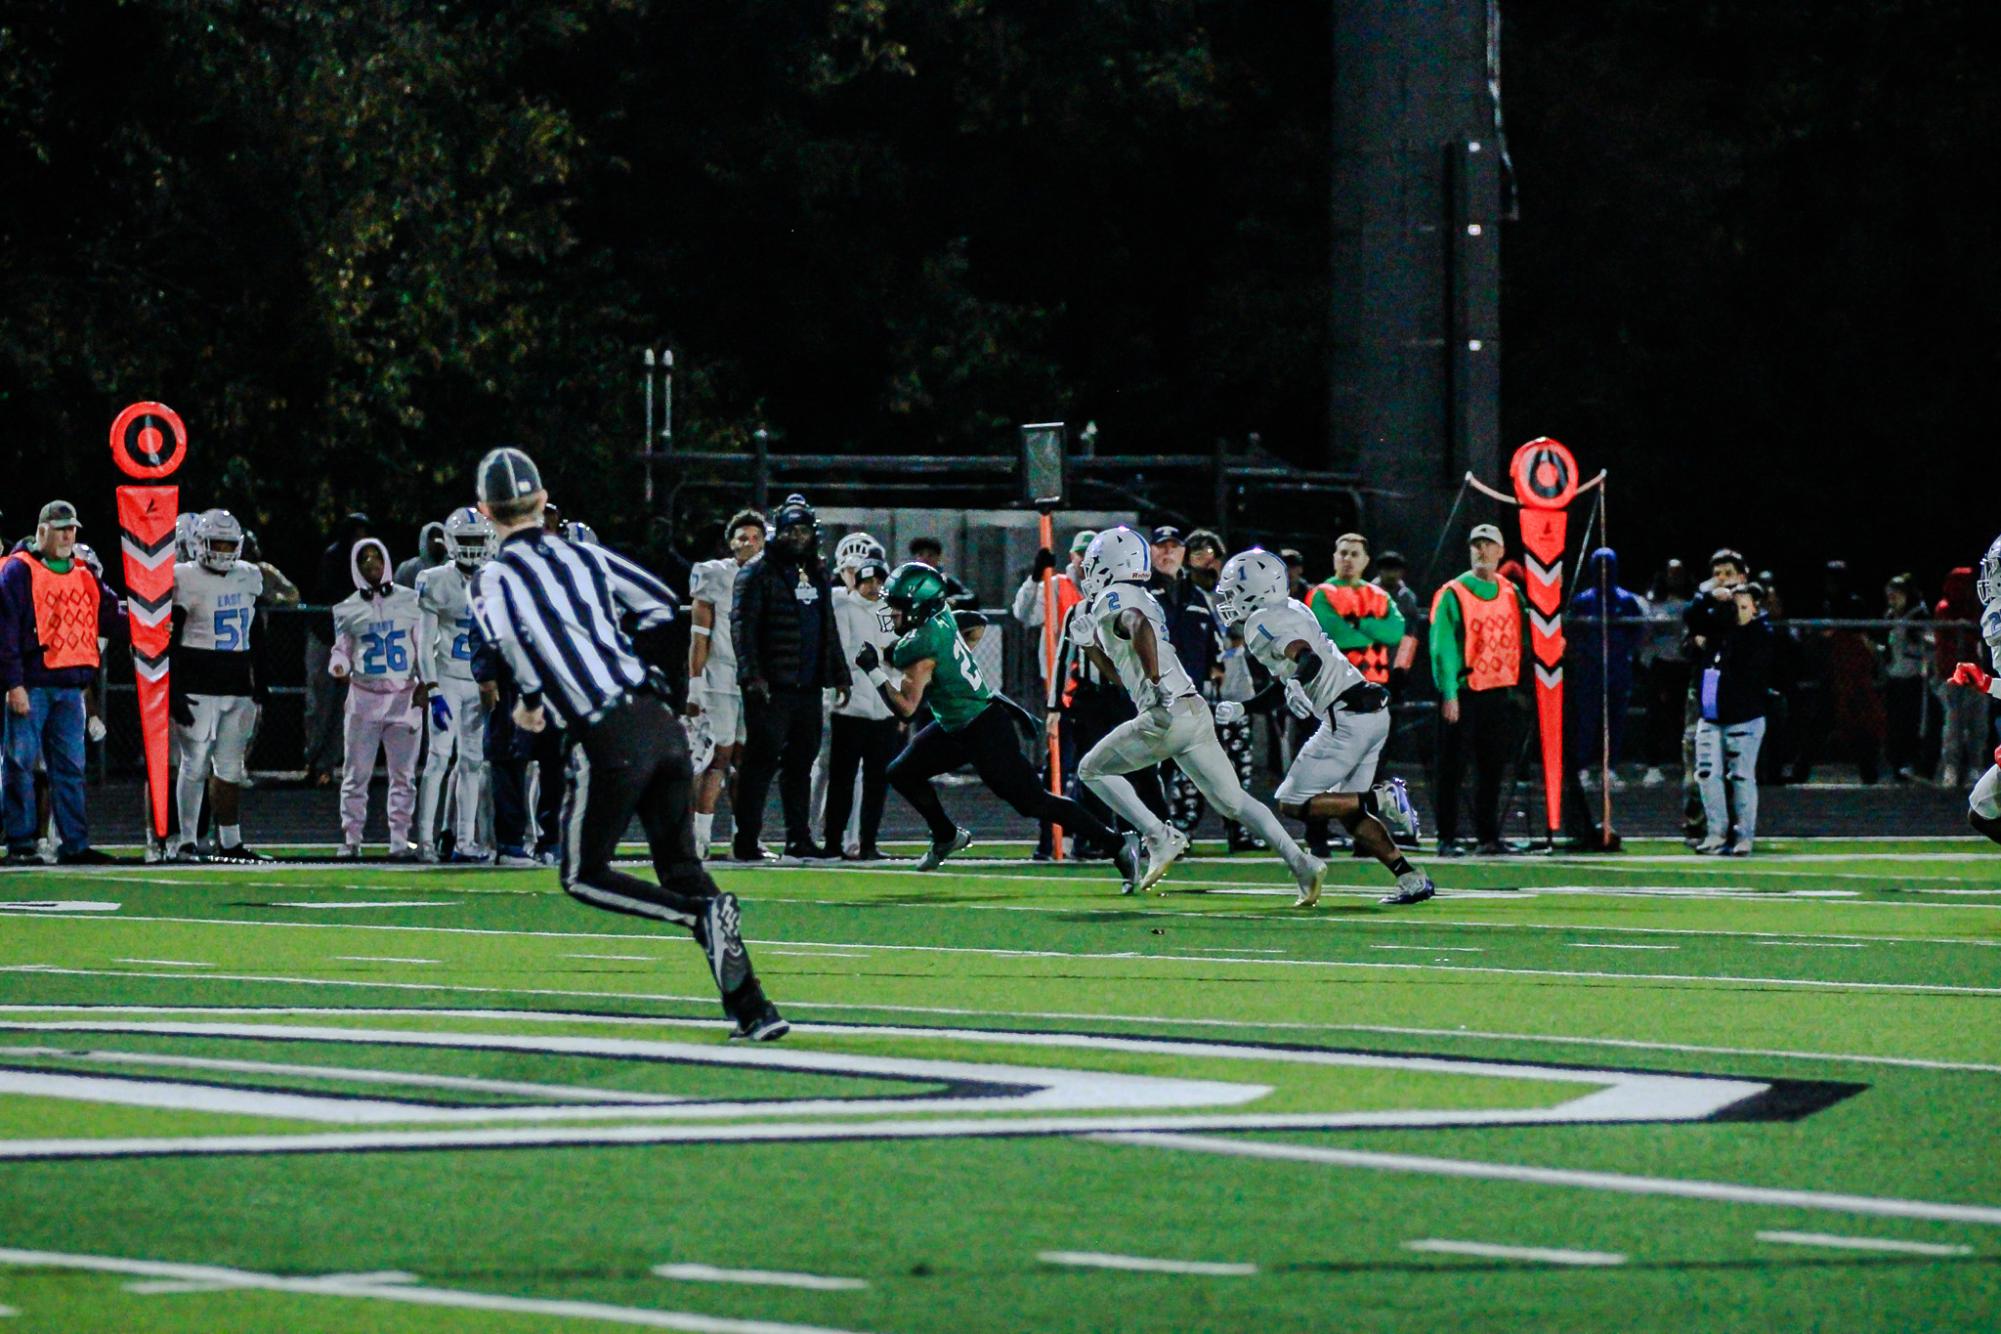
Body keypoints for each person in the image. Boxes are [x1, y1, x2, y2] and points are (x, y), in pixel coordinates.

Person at [468, 446, 788, 1041]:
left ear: (486, 511)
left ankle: (701, 916)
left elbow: (510, 640)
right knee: (681, 865)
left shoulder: (495, 575)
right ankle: (753, 1005)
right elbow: (658, 610)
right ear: (541, 502)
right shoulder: (583, 555)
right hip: (656, 717)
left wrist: (532, 703)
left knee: (581, 874)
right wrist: (633, 669)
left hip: (605, 732)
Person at [1070, 529, 1325, 901]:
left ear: (1109, 565)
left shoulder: (1116, 596)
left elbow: (1136, 623)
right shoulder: (1140, 594)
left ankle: (1159, 835)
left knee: (1091, 770)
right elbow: (1125, 675)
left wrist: (1156, 681)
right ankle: (1301, 863)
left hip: (1166, 711)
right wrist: (1091, 647)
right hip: (1192, 708)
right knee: (1235, 802)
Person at [859, 560, 1138, 885]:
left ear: (920, 608)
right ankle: (946, 835)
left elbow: (906, 707)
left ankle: (1118, 843)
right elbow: (975, 624)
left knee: (1033, 801)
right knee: (901, 772)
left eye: (898, 607)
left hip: (982, 729)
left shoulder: (921, 648)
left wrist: (873, 670)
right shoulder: (940, 619)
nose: (891, 614)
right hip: (957, 725)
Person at [1215, 547, 1434, 905]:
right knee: (1349, 812)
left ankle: (1383, 796)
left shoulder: (1261, 623)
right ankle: (1410, 878)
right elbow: (1291, 673)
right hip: (1370, 711)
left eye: (1235, 590)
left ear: (1256, 590)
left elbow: (1307, 658)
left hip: (1346, 718)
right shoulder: (1292, 607)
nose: (1229, 598)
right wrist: (1245, 707)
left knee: (1290, 801)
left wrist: (1298, 684)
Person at [0, 501, 126, 865]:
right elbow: (6, 632)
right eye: (61, 529)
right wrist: (14, 684)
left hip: (71, 686)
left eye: (72, 529)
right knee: (20, 765)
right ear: (41, 531)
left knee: (70, 769)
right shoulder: (17, 572)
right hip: (34, 684)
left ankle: (74, 843)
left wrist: (148, 630)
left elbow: (109, 615)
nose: (69, 535)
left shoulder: (84, 572)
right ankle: (21, 842)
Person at [732, 495, 851, 860]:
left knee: (802, 763)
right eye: (791, 530)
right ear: (778, 533)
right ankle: (747, 840)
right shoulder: (756, 573)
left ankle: (798, 837)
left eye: (803, 530)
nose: (798, 537)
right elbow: (743, 628)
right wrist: (752, 676)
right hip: (772, 686)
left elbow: (827, 627)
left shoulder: (816, 572)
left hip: (807, 685)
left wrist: (839, 674)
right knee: (760, 763)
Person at [168, 509, 272, 862]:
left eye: (230, 543)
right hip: (197, 681)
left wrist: (262, 680)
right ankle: (185, 840)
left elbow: (254, 631)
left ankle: (230, 841)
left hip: (237, 682)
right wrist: (175, 688)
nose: (225, 551)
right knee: (194, 763)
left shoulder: (248, 576)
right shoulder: (185, 577)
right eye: (219, 543)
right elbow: (174, 637)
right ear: (200, 544)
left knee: (230, 768)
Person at [1304, 533, 1407, 854]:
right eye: (1343, 553)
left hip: (1373, 693)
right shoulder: (1320, 594)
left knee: (1368, 769)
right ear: (1335, 557)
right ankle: (1317, 837)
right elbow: (1333, 632)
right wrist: (1368, 626)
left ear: (1364, 560)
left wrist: (1356, 622)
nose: (1348, 558)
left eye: (1354, 553)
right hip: (1333, 692)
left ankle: (1363, 836)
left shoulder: (1378, 594)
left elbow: (1395, 631)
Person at [1428, 523, 1525, 854]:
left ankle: (1488, 836)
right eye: (1476, 545)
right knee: (1452, 768)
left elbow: (1524, 633)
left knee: (1492, 769)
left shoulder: (1511, 592)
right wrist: (1449, 692)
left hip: (1497, 693)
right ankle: (1447, 837)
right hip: (1465, 691)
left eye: (1488, 545)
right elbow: (1442, 645)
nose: (1481, 551)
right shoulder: (1453, 592)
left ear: (1501, 551)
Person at [329, 538, 427, 859]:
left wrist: (428, 683)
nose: (371, 564)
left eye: (375, 557)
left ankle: (399, 838)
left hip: (404, 696)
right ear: (356, 567)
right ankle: (351, 838)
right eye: (364, 560)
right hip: (364, 698)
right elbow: (341, 647)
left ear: (386, 560)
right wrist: (339, 663)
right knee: (356, 774)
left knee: (404, 776)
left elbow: (423, 647)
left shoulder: (412, 600)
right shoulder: (346, 608)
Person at [414, 507, 497, 862]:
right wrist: (431, 687)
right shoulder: (436, 580)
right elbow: (424, 640)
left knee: (472, 763)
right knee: (438, 759)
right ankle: (426, 842)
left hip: (477, 683)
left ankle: (465, 841)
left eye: (478, 540)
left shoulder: (495, 580)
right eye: (466, 540)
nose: (473, 548)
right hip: (447, 678)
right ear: (450, 542)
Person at [686, 509, 764, 858]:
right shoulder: (713, 574)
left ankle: (744, 838)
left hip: (756, 679)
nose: (749, 543)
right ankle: (699, 837)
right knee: (718, 756)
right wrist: (695, 684)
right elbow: (699, 636)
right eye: (743, 537)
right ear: (730, 541)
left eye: (756, 537)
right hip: (720, 676)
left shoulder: (772, 577)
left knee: (749, 761)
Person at [1564, 546, 1648, 845]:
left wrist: (1625, 656)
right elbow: (1571, 634)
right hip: (1589, 672)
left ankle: (1609, 766)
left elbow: (1638, 633)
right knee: (1587, 720)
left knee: (1616, 720)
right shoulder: (1583, 600)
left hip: (1617, 670)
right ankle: (1586, 766)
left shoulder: (1625, 600)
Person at [824, 557, 901, 860]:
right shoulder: (843, 606)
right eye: (868, 581)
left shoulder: (884, 610)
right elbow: (843, 650)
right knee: (841, 777)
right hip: (851, 704)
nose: (874, 587)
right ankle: (833, 841)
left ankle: (868, 842)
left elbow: (892, 651)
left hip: (881, 706)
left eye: (879, 582)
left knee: (877, 779)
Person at [1694, 582, 1777, 855]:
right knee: (1707, 775)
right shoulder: (1718, 629)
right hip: (1711, 714)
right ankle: (1715, 833)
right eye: (1734, 606)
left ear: (1755, 607)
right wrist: (1709, 596)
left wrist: (1743, 623)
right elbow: (1692, 617)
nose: (1737, 612)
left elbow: (1754, 667)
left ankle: (1744, 835)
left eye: (1744, 605)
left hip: (1744, 716)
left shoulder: (1761, 633)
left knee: (1741, 776)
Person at [1681, 549, 1749, 841]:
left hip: (1737, 693)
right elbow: (1690, 637)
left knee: (1737, 764)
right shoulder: (1703, 605)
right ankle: (1698, 821)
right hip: (1706, 688)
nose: (1722, 579)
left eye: (1728, 573)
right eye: (1717, 573)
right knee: (1699, 758)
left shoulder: (1747, 605)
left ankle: (1734, 824)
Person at [305, 513, 371, 786]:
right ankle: (313, 759)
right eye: (356, 533)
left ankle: (327, 764)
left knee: (345, 706)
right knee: (320, 702)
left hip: (353, 640)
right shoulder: (334, 557)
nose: (360, 538)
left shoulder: (368, 560)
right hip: (326, 637)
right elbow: (328, 594)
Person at [1639, 559, 1694, 786]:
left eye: (1679, 573)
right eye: (1671, 574)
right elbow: (1646, 634)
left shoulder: (1693, 602)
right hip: (1661, 664)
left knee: (1686, 715)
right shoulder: (1654, 602)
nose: (1675, 578)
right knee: (1655, 715)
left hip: (1685, 664)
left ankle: (1688, 766)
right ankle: (1653, 766)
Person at [1935, 567, 1989, 788]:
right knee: (1954, 726)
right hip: (1952, 676)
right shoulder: (1944, 608)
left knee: (1978, 725)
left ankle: (1975, 766)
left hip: (1976, 675)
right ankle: (1951, 768)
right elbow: (1952, 638)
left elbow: (1980, 633)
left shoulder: (1975, 607)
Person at [1881, 574, 1932, 782]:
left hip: (1913, 677)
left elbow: (1927, 644)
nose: (1892, 599)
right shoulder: (1890, 616)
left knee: (1911, 723)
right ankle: (1896, 765)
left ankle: (1913, 764)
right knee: (1894, 724)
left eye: (1896, 595)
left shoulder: (1918, 616)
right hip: (1894, 676)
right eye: (1889, 596)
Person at [908, 536, 979, 609]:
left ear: (938, 558)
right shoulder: (906, 581)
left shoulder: (946, 581)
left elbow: (972, 598)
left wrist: (954, 601)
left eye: (931, 555)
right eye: (920, 554)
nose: (925, 559)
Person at [393, 521, 447, 589]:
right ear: (425, 540)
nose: (436, 542)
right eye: (431, 537)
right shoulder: (408, 568)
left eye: (440, 537)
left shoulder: (454, 570)